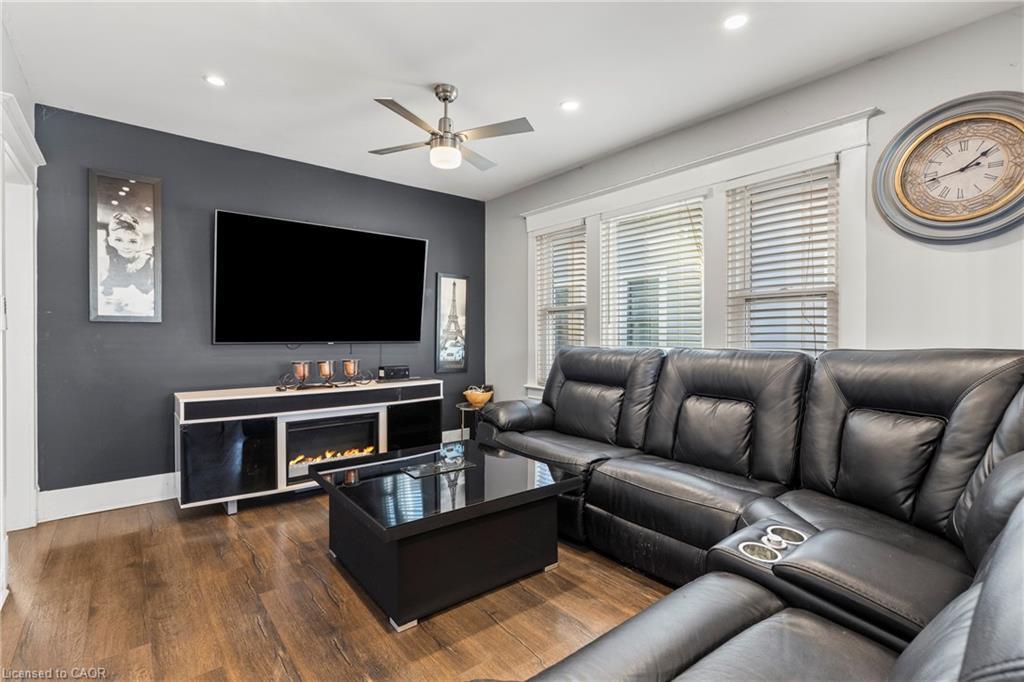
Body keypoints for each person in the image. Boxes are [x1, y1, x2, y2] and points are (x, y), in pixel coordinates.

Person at [101, 212, 153, 296]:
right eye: (118, 240)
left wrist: (144, 257)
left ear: (141, 243)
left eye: (133, 241)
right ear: (110, 241)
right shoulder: (105, 262)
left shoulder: (149, 261)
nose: (126, 246)